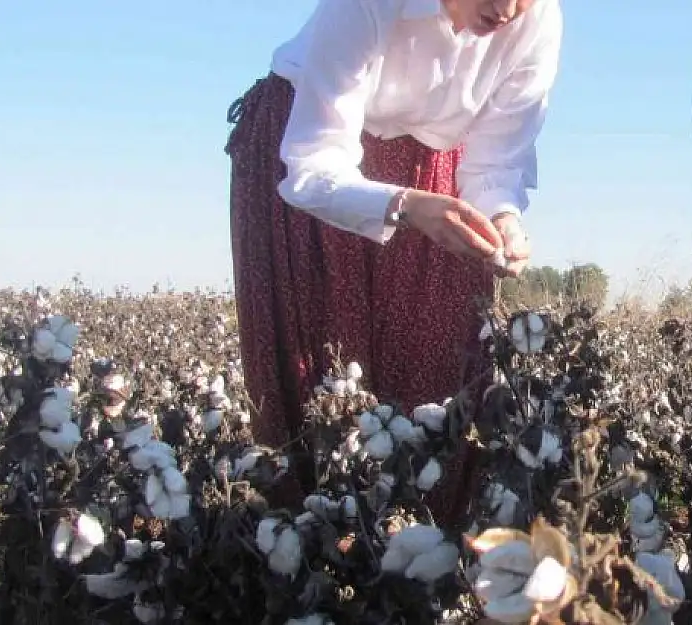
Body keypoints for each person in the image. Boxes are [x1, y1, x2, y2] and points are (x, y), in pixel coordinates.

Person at [224, 0, 562, 515]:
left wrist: (502, 218)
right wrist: (403, 203)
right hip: (310, 154)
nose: (507, 8)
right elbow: (314, 165)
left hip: (432, 169)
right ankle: (316, 560)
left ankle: (420, 555)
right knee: (316, 374)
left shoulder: (537, 21)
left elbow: (496, 160)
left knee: (441, 373)